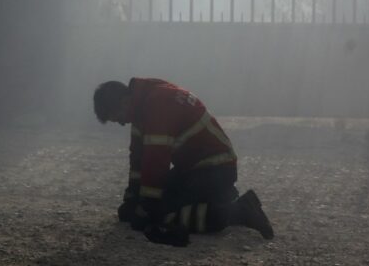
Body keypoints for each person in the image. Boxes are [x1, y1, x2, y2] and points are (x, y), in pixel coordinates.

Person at [93, 78, 273, 246]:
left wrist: (146, 207)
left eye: (117, 118)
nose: (121, 123)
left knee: (159, 214)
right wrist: (132, 198)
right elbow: (138, 159)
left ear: (124, 102)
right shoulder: (145, 104)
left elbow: (156, 161)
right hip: (201, 168)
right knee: (138, 212)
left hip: (214, 168)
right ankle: (222, 196)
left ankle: (239, 212)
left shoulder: (156, 105)